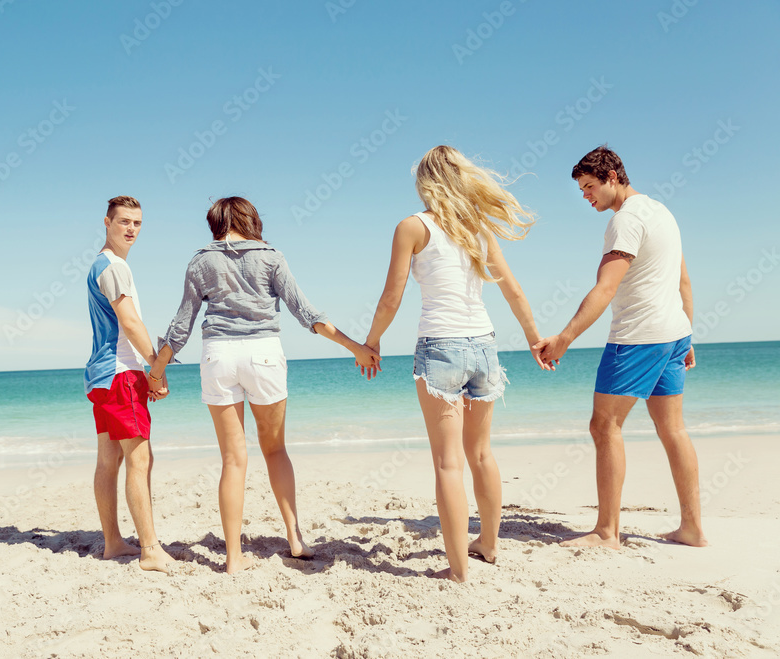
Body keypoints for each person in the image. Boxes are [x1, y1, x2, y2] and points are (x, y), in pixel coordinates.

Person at [147, 196, 380, 574]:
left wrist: (155, 373)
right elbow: (308, 314)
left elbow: (181, 327)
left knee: (232, 460)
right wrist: (356, 347)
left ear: (216, 223)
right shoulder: (272, 257)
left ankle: (234, 558)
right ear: (251, 220)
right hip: (264, 354)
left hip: (218, 356)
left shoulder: (200, 261)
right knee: (274, 450)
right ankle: (295, 539)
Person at [362, 145, 551, 583]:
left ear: (425, 182)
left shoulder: (412, 227)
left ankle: (459, 570)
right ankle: (488, 543)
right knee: (481, 453)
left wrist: (372, 341)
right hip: (485, 346)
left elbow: (392, 296)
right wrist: (534, 339)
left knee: (448, 462)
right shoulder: (479, 229)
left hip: (441, 347)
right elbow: (513, 289)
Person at [533, 145, 708, 549]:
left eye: (590, 186)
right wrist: (687, 333)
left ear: (613, 177)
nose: (586, 196)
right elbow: (684, 281)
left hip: (639, 337)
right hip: (673, 333)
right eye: (581, 189)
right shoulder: (662, 212)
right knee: (673, 429)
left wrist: (564, 338)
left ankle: (607, 532)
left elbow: (606, 287)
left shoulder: (624, 221)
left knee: (604, 425)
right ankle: (693, 528)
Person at [84, 195, 174, 574]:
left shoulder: (100, 266)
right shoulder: (114, 267)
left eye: (137, 223)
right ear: (107, 222)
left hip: (100, 375)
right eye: (123, 222)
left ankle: (112, 543)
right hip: (121, 373)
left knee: (109, 460)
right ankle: (150, 549)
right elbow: (131, 323)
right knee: (140, 459)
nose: (131, 229)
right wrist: (156, 366)